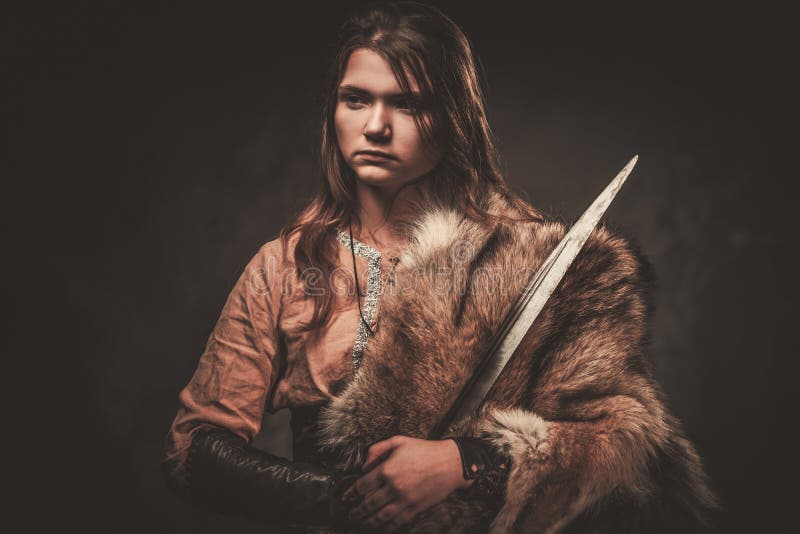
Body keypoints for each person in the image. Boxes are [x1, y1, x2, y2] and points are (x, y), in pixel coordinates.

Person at [162, 2, 717, 532]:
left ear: (453, 118)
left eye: (407, 104)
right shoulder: (285, 266)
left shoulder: (534, 262)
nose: (375, 125)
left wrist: (465, 461)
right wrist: (343, 502)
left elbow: (625, 445)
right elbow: (194, 450)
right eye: (355, 99)